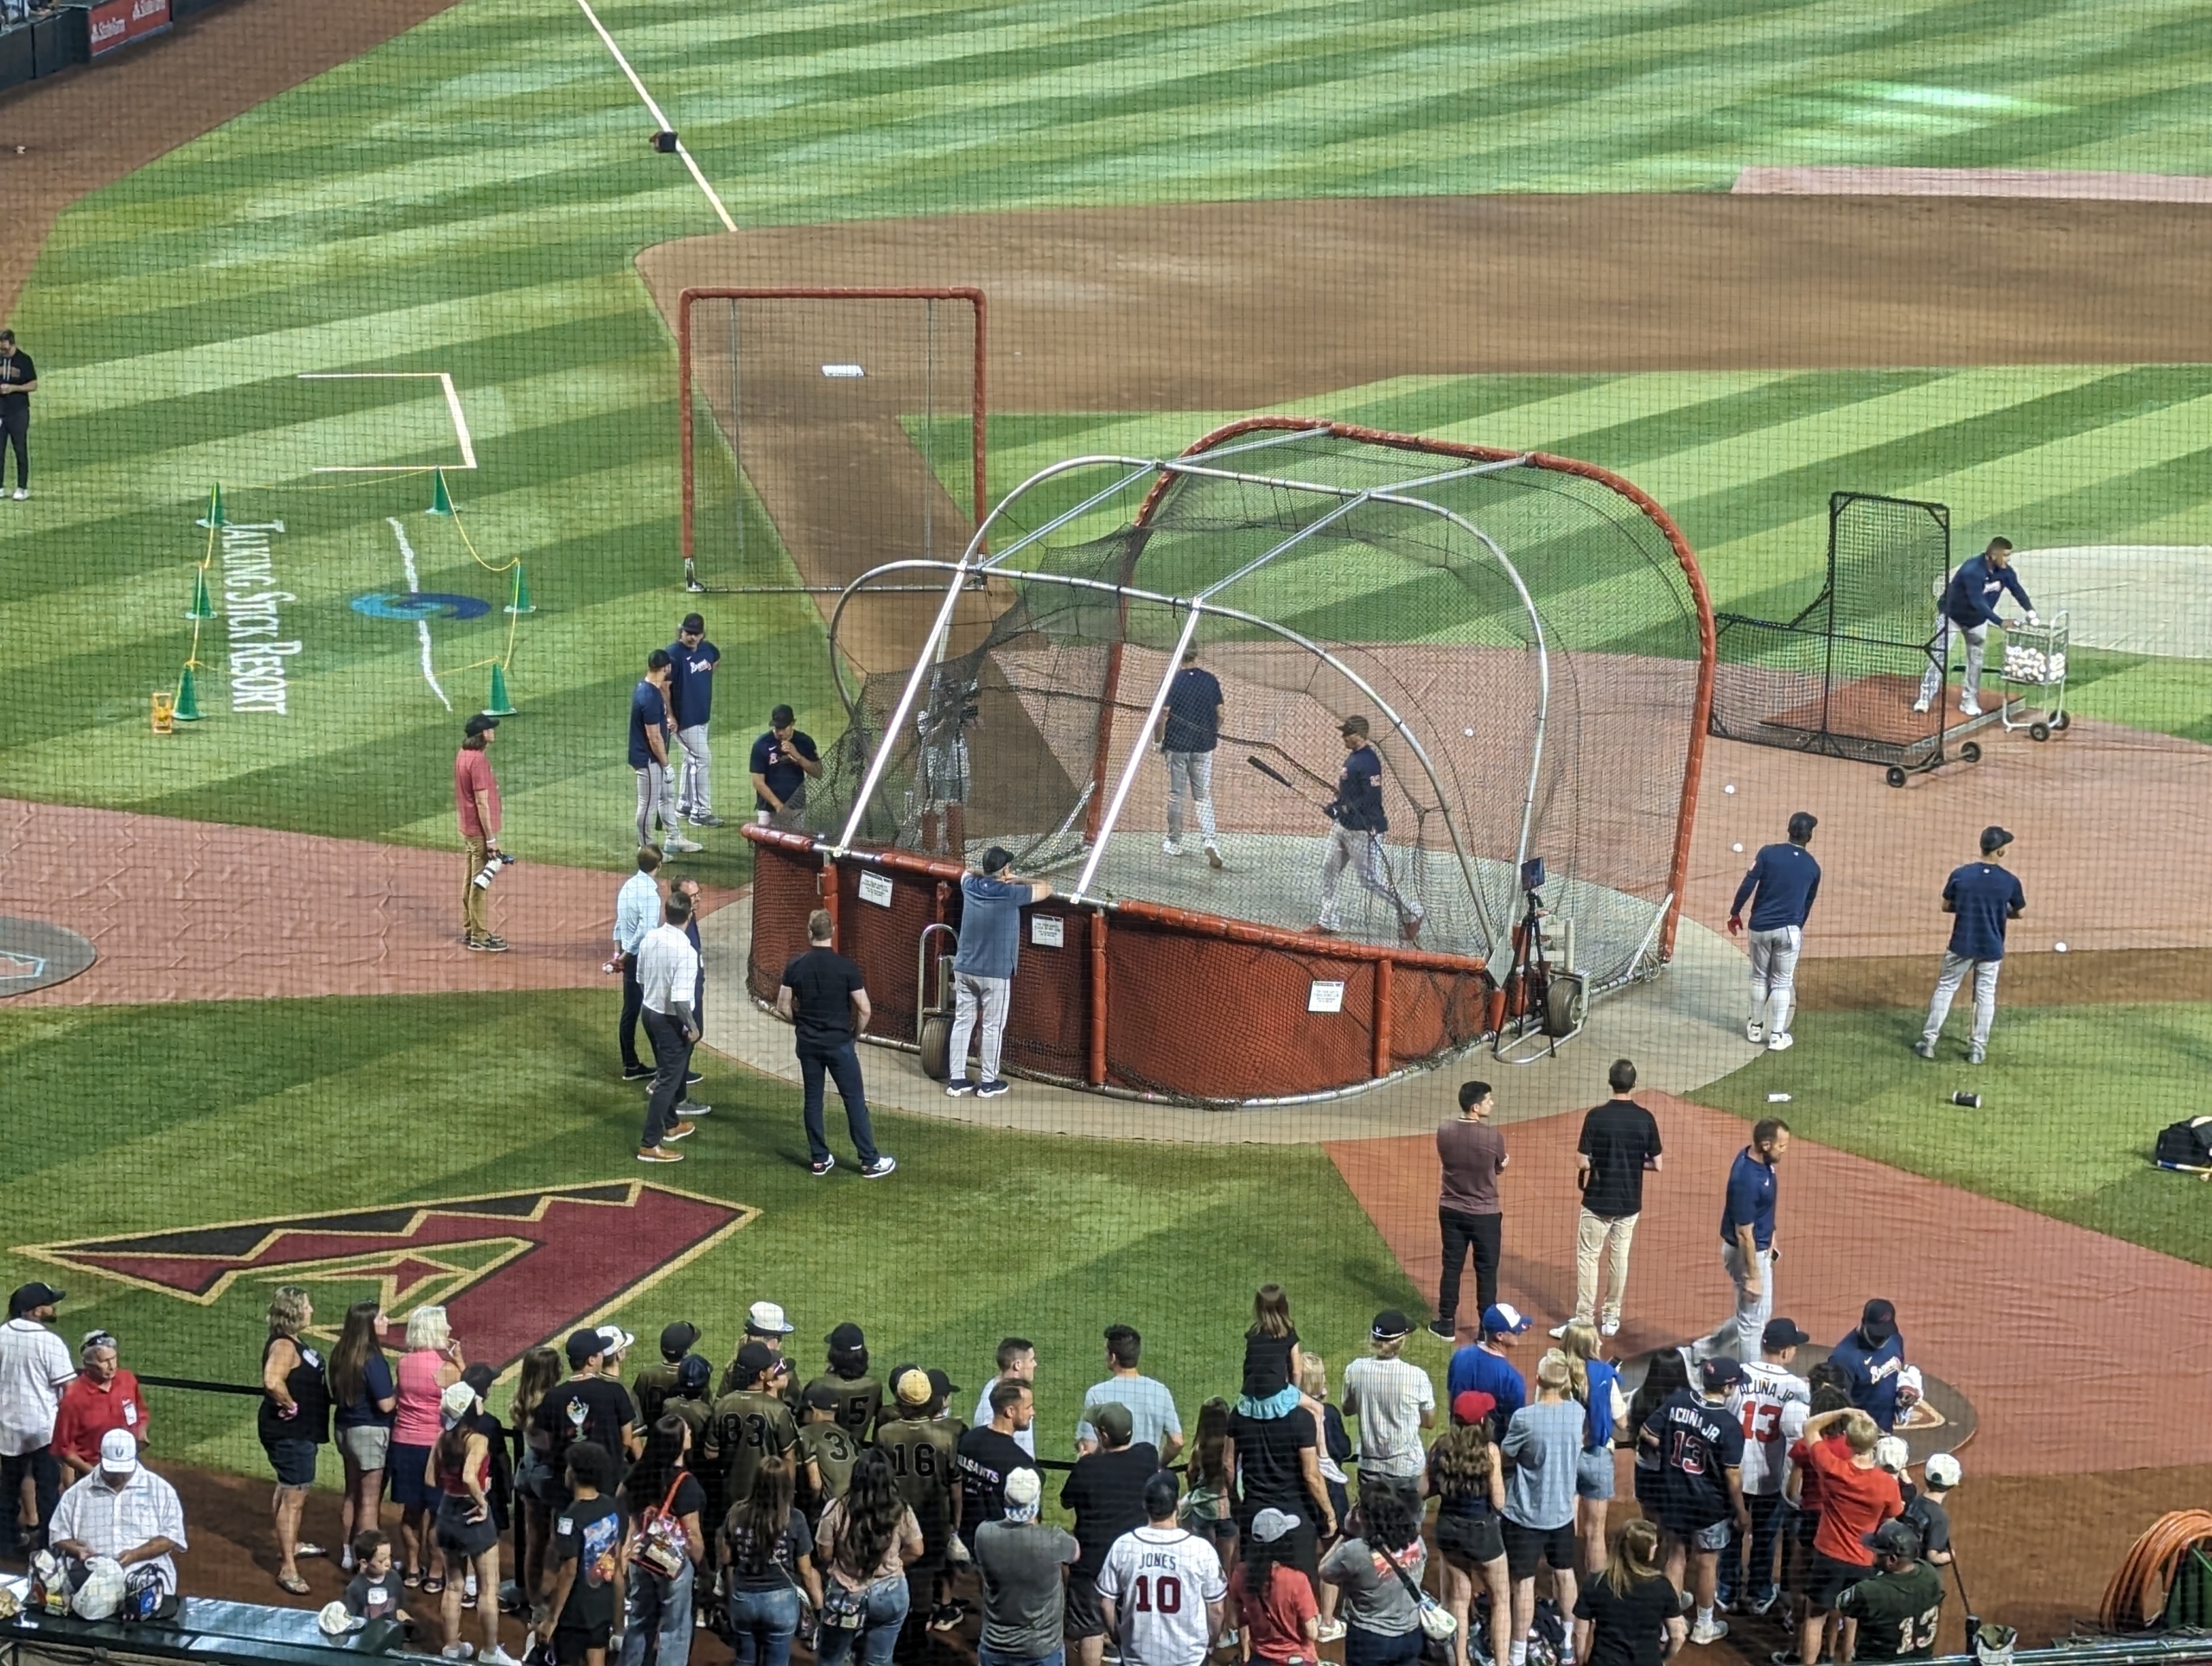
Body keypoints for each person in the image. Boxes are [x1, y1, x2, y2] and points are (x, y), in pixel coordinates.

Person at [778, 907, 895, 1179]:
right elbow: (865, 1009)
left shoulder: (795, 965)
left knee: (812, 1100)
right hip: (840, 1045)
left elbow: (782, 1005)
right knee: (854, 1101)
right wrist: (854, 1034)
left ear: (809, 932)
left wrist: (801, 1024)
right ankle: (869, 1161)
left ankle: (819, 1159)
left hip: (808, 1044)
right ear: (833, 931)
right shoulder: (846, 968)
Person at [1637, 1357, 1746, 1648]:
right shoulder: (1729, 1424)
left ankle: (1668, 1624)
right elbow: (1732, 1478)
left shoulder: (1678, 1401)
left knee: (1675, 1556)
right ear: (1726, 1387)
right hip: (1709, 1505)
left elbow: (1646, 1432)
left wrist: (1672, 1449)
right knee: (1707, 1564)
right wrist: (1741, 1513)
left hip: (1674, 1496)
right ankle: (1704, 1626)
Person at [1789, 1408, 1903, 1666]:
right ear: (1874, 1443)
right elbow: (1891, 1518)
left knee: (1814, 1617)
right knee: (1852, 1617)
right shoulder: (1887, 1484)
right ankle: (1846, 1660)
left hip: (1828, 1557)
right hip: (1864, 1561)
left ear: (1848, 1442)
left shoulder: (1832, 1468)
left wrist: (1844, 1411)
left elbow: (1810, 1427)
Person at [946, 845, 1053, 1098]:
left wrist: (989, 873)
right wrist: (1017, 879)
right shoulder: (1011, 893)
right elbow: (1048, 888)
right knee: (993, 1027)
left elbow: (967, 871)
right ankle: (988, 1083)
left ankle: (957, 1081)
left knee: (963, 1023)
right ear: (1005, 870)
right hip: (994, 974)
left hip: (964, 969)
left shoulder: (969, 885)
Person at [1720, 1319, 1810, 1617]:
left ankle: (1726, 1590)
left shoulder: (1737, 1376)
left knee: (1732, 1532)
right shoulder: (1797, 1388)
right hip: (1772, 1477)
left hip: (1735, 1472)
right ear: (1785, 1352)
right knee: (1765, 1536)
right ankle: (1759, 1593)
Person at [1062, 1402, 1163, 1666]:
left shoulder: (1088, 1468)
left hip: (1092, 1564)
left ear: (1103, 1435)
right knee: (1136, 1622)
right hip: (1135, 1561)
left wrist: (1085, 1460)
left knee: (1091, 1630)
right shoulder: (1147, 1456)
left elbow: (1066, 1500)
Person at [1568, 1061, 1663, 1339]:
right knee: (1619, 1257)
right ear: (1634, 1083)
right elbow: (1657, 1164)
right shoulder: (1646, 1118)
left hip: (1597, 1200)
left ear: (1610, 1082)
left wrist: (1601, 1160)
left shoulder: (1596, 1117)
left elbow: (1582, 1161)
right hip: (1629, 1201)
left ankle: (1585, 1318)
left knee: (1588, 1257)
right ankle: (1611, 1317)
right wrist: (1634, 1163)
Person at [1916, 827, 2025, 1065]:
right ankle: (1977, 1049)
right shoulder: (2009, 881)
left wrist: (1969, 907)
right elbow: (2019, 912)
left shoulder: (1961, 874)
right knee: (1985, 995)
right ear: (2000, 851)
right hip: (1991, 946)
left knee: (1945, 989)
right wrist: (1997, 911)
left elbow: (1946, 906)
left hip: (1961, 944)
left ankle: (1928, 1043)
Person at [1501, 1351, 1584, 1666]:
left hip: (1526, 1514)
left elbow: (1508, 1454)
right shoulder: (1576, 1412)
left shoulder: (1525, 1417)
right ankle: (1566, 1646)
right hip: (1562, 1513)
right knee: (1565, 1575)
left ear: (1537, 1380)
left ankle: (1519, 1653)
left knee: (1524, 1582)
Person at [1100, 1469, 1228, 1666]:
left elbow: (1105, 1602)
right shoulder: (1200, 1550)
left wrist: (1118, 1636)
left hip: (1137, 1658)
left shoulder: (1124, 1545)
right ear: (1177, 1505)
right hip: (1188, 1659)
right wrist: (1211, 1642)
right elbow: (1217, 1610)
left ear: (1145, 1505)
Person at [1314, 715, 1422, 943]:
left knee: (1371, 880)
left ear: (1358, 735)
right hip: (1343, 827)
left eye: (1347, 733)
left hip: (1364, 830)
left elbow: (1371, 798)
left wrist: (1342, 808)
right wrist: (1336, 807)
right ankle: (1328, 921)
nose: (1343, 736)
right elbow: (1349, 794)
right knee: (1329, 869)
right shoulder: (1354, 757)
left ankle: (1412, 912)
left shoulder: (1369, 761)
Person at [1693, 1119, 1789, 1365]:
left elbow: (1762, 1209)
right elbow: (1743, 1234)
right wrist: (1754, 1276)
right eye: (1782, 1145)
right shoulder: (1746, 1180)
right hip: (1746, 1253)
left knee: (1755, 1316)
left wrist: (1771, 1235)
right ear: (1766, 1144)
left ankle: (1703, 1350)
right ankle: (1751, 1381)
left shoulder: (1761, 1161)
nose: (1784, 1150)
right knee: (1752, 1324)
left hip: (1758, 1246)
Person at [814, 1447, 923, 1666]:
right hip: (890, 1591)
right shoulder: (901, 1509)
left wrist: (844, 1563)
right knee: (879, 1661)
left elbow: (824, 1553)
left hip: (846, 1593)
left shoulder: (836, 1508)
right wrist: (894, 1563)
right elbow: (916, 1549)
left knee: (831, 1659)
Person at [432, 1380, 513, 1663]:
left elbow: (429, 1479)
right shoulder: (478, 1440)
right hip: (471, 1515)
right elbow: (469, 1476)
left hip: (446, 1512)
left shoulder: (441, 1438)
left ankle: (452, 1649)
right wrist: (482, 1500)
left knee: (454, 1585)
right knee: (488, 1588)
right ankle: (490, 1652)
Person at [47, 1431, 185, 1598]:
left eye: (123, 1470)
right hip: (92, 1584)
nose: (118, 1475)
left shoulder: (160, 1490)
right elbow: (58, 1535)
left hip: (147, 1581)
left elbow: (171, 1536)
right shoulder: (77, 1493)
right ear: (100, 1457)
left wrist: (135, 1555)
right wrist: (77, 1550)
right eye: (113, 1470)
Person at [614, 1415, 704, 1666]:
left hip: (640, 1557)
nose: (690, 1433)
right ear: (677, 1443)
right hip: (672, 1565)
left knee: (640, 1620)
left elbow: (624, 1503)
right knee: (674, 1630)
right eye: (686, 1431)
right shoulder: (686, 1484)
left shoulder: (640, 1473)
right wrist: (701, 1567)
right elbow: (693, 1536)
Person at [1726, 811, 1820, 1051]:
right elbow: (1806, 906)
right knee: (1781, 982)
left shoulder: (1768, 853)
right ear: (1809, 836)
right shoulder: (1813, 867)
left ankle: (1755, 1028)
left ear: (1789, 830)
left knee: (1759, 976)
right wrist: (1796, 928)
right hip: (1789, 930)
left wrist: (1735, 912)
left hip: (1760, 927)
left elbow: (1748, 883)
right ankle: (1777, 1036)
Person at [258, 1287, 330, 1595]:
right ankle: (288, 1567)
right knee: (295, 1499)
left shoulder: (291, 1342)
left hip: (296, 1432)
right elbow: (272, 1381)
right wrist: (291, 1404)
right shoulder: (285, 1347)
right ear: (294, 1311)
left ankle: (290, 1544)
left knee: (287, 1487)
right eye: (306, 1305)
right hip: (291, 1434)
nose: (311, 1310)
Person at [1915, 537, 2033, 717]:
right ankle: (1924, 697)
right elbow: (1977, 601)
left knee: (1976, 661)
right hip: (1952, 617)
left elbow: (2017, 590)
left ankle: (1969, 701)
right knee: (1939, 655)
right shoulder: (1972, 570)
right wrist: (2000, 622)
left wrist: (2030, 611)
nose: (2008, 559)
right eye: (2006, 555)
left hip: (1977, 621)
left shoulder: (2005, 572)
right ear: (1993, 555)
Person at [391, 1306, 465, 1593]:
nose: (449, 1330)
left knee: (411, 1512)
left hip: (403, 1444)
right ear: (434, 1330)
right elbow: (471, 1395)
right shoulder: (445, 1369)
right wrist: (459, 1361)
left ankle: (411, 1568)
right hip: (435, 1449)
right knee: (436, 1513)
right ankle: (435, 1573)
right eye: (444, 1326)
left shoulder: (403, 1362)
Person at [974, 1465, 1077, 1666]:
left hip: (995, 1646)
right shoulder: (1053, 1540)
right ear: (1037, 1502)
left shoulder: (984, 1533)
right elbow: (1075, 1553)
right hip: (1041, 1649)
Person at [535, 1440, 626, 1666]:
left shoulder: (568, 1519)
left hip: (574, 1613)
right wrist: (619, 1622)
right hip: (602, 1605)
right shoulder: (612, 1507)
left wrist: (551, 1619)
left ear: (573, 1473)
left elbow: (568, 1571)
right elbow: (617, 1567)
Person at [723, 1452, 820, 1666]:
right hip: (780, 1602)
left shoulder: (736, 1512)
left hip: (744, 1597)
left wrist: (730, 1598)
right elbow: (805, 1569)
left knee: (744, 1660)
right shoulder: (795, 1518)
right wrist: (817, 1603)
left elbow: (728, 1560)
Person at [1428, 1414, 1510, 1666]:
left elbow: (1422, 1490)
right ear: (1483, 1420)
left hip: (1449, 1532)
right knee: (1501, 1599)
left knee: (1459, 1600)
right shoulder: (1490, 1451)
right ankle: (1502, 1662)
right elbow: (1499, 1502)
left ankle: (1460, 1661)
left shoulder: (1439, 1446)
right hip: (1482, 1534)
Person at [0, 1281, 73, 1556]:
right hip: (44, 1429)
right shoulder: (49, 1342)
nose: (53, 1306)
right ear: (35, 1310)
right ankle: (48, 1546)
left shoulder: (2, 1334)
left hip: (7, 1427)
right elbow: (70, 1390)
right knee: (48, 1491)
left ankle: (5, 1543)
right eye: (49, 1302)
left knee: (8, 1488)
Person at [1433, 1080, 1509, 1340]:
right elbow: (1497, 1166)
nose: (1492, 1103)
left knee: (1451, 1266)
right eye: (1489, 1100)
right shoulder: (1493, 1136)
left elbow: (1450, 1161)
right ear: (1476, 1107)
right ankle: (1484, 1330)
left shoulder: (1444, 1131)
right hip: (1485, 1215)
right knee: (1486, 1271)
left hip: (1451, 1210)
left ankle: (1446, 1323)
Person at [325, 1303, 396, 1572]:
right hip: (368, 1433)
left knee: (351, 1494)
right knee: (369, 1500)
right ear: (368, 1325)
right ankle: (371, 1563)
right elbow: (386, 1405)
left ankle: (347, 1554)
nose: (386, 1320)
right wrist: (403, 1392)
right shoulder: (373, 1359)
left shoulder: (341, 1353)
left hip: (344, 1429)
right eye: (381, 1317)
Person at [705, 1341, 798, 1546]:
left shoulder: (722, 1404)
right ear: (763, 1375)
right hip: (769, 1494)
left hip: (732, 1493)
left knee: (733, 1544)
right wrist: (788, 1495)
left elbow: (711, 1454)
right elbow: (789, 1458)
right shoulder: (778, 1409)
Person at [636, 890, 702, 1162]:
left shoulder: (651, 937)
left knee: (667, 1073)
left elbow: (640, 978)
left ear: (667, 913)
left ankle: (672, 1125)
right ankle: (649, 1144)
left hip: (648, 1012)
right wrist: (693, 1027)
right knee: (668, 1081)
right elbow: (680, 1000)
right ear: (689, 916)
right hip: (669, 1020)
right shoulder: (686, 951)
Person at [1558, 1321, 1626, 1579]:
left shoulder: (1555, 1372)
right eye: (1595, 1340)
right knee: (1596, 1530)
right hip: (1597, 1456)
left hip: (1564, 1456)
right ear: (1588, 1346)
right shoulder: (1604, 1375)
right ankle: (1595, 1591)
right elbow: (1622, 1421)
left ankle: (1562, 1589)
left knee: (1566, 1525)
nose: (1599, 1343)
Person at [1341, 1311, 1433, 1494]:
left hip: (1370, 1467)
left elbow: (1347, 1409)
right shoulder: (1416, 1376)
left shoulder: (1355, 1369)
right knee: (1407, 1520)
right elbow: (1430, 1422)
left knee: (1371, 1519)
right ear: (1401, 1341)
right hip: (1406, 1469)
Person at [1572, 1518, 1682, 1666]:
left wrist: (1581, 1660)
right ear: (1646, 1550)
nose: (1656, 1547)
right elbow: (1677, 1636)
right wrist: (1663, 1659)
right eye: (1654, 1544)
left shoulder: (1596, 1582)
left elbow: (1580, 1632)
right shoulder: (1662, 1586)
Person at [48, 1328, 144, 1489]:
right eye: (104, 1361)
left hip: (130, 1465)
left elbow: (141, 1412)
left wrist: (141, 1433)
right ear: (87, 1364)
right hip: (92, 1474)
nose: (111, 1365)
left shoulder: (127, 1380)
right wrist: (95, 1475)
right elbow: (64, 1448)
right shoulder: (74, 1398)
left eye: (113, 1358)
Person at [1836, 1519, 1945, 1661]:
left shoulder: (1870, 1591)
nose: (1873, 1556)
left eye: (1878, 1553)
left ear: (1892, 1559)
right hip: (1921, 1662)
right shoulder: (1930, 1574)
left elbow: (1842, 1605)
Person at [1157, 645, 1225, 867]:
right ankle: (1210, 840)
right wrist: (1211, 733)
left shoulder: (1173, 680)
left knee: (1176, 794)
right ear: (1196, 654)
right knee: (1203, 795)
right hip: (1203, 746)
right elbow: (1221, 714)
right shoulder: (1210, 680)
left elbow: (1161, 716)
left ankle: (1174, 842)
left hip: (1177, 745)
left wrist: (1158, 741)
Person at [1077, 1326, 1179, 1461]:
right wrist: (1159, 1465)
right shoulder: (1160, 1391)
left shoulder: (1097, 1393)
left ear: (1113, 1357)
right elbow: (1177, 1441)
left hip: (1110, 1475)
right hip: (1147, 1476)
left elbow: (1088, 1447)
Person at [632, 650, 699, 857]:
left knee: (666, 797)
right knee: (647, 804)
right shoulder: (650, 696)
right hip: (648, 759)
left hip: (652, 757)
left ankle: (674, 838)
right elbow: (654, 738)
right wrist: (667, 764)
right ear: (666, 668)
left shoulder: (645, 687)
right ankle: (647, 851)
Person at [959, 1379, 1037, 1549]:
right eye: (1028, 1407)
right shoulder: (1020, 1463)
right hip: (1000, 1548)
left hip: (965, 1538)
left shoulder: (967, 1439)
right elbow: (1030, 1520)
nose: (1033, 1412)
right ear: (1010, 1411)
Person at [454, 713, 506, 951]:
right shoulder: (477, 761)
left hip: (468, 828)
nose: (493, 731)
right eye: (490, 729)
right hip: (479, 832)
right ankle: (479, 936)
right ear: (483, 735)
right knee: (479, 883)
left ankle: (471, 928)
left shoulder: (463, 755)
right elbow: (482, 802)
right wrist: (491, 839)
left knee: (469, 880)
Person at [613, 848, 665, 1081]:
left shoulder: (629, 885)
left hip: (629, 954)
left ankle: (631, 1064)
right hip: (641, 958)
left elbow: (619, 922)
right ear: (659, 865)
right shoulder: (650, 894)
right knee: (655, 1010)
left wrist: (618, 953)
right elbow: (646, 931)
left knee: (630, 1011)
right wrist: (625, 955)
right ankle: (666, 1067)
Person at [667, 614, 722, 827]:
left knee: (691, 760)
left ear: (702, 634)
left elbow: (715, 661)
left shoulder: (708, 650)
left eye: (695, 634)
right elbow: (664, 688)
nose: (691, 637)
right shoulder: (673, 655)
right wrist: (670, 715)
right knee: (702, 759)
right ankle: (700, 812)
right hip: (684, 719)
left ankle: (685, 804)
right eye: (687, 633)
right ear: (681, 632)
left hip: (702, 715)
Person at [1446, 1304, 1531, 1430]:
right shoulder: (1512, 1379)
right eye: (1515, 1331)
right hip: (1491, 1447)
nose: (1518, 1333)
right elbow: (1515, 1427)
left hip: (1457, 1440)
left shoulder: (1459, 1356)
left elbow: (1451, 1402)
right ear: (1500, 1336)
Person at [1829, 1301, 1910, 1432]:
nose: (1882, 1338)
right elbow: (1837, 1409)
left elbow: (1898, 1371)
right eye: (1877, 1333)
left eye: (1886, 1333)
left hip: (1885, 1429)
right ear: (1863, 1322)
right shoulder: (1844, 1358)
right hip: (1856, 1438)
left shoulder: (1895, 1339)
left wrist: (1904, 1390)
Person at [750, 703, 823, 829]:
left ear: (793, 723)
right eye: (777, 728)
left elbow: (818, 773)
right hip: (769, 809)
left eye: (784, 727)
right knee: (767, 847)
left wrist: (797, 756)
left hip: (796, 808)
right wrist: (779, 806)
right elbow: (757, 781)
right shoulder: (761, 744)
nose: (780, 732)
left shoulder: (805, 742)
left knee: (795, 846)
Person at [807, 1324, 884, 1440]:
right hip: (858, 1449)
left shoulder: (818, 1385)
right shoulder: (875, 1385)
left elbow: (803, 1423)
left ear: (834, 1355)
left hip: (824, 1453)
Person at [973, 1339, 1039, 1457]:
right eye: (1031, 1360)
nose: (1035, 1364)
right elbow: (987, 1446)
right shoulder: (996, 1402)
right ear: (1018, 1365)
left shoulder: (1008, 1390)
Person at [632, 1322, 701, 1433]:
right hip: (682, 1436)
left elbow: (636, 1409)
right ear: (686, 1351)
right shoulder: (693, 1377)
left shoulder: (646, 1375)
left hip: (651, 1436)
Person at [1905, 1454, 1960, 1569]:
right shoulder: (1940, 1517)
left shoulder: (1915, 1500)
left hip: (1906, 1565)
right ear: (1954, 1483)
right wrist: (1949, 1556)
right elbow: (1933, 1557)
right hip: (1923, 1575)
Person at [0, 329, 34, 499]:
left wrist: (14, 388)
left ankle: (22, 487)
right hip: (0, 412)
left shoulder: (24, 360)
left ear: (12, 343)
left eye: (5, 349)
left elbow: (33, 385)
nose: (3, 352)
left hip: (19, 412)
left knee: (20, 450)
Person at [346, 1529, 406, 1622]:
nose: (388, 1563)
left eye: (389, 1557)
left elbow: (399, 1609)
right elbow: (350, 1619)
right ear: (364, 1563)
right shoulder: (355, 1588)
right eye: (381, 1561)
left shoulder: (395, 1579)